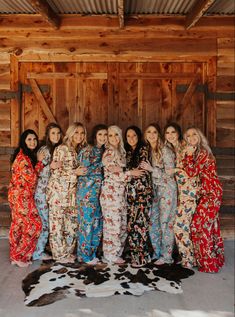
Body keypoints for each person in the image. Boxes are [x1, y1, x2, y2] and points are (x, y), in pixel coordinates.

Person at [182, 127, 225, 273]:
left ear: (200, 136)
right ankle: (215, 259)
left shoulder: (202, 153)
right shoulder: (198, 153)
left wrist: (187, 155)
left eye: (194, 134)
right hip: (207, 194)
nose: (191, 137)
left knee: (198, 226)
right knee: (210, 227)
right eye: (188, 135)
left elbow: (191, 172)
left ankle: (209, 264)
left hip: (211, 194)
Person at [100, 125, 143, 264]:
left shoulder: (122, 152)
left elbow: (121, 171)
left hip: (122, 193)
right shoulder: (108, 153)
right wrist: (130, 173)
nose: (114, 138)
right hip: (110, 193)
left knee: (122, 224)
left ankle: (118, 252)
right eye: (110, 135)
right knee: (112, 225)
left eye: (116, 135)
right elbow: (114, 174)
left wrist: (125, 170)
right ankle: (110, 255)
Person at [47, 122, 87, 263]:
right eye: (76, 132)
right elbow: (55, 172)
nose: (79, 136)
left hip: (72, 196)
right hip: (58, 195)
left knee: (71, 226)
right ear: (70, 133)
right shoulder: (61, 149)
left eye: (82, 133)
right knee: (57, 227)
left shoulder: (78, 151)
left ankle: (67, 252)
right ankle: (59, 255)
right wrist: (74, 172)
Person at [141, 123, 177, 265]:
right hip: (154, 190)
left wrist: (151, 169)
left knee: (166, 223)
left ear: (158, 134)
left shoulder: (166, 151)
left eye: (154, 132)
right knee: (153, 223)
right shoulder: (147, 150)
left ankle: (167, 256)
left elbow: (169, 175)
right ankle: (157, 252)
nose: (151, 135)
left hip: (167, 190)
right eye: (148, 132)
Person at [164, 122, 198, 268]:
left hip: (189, 192)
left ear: (178, 133)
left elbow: (192, 171)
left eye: (173, 132)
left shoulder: (186, 147)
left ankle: (188, 259)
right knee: (184, 226)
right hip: (181, 194)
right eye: (167, 133)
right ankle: (189, 256)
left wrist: (175, 170)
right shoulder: (174, 149)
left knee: (179, 226)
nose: (170, 135)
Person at [8, 129, 44, 267]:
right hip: (21, 197)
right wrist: (40, 163)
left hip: (18, 195)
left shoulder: (25, 155)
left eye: (34, 139)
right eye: (29, 139)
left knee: (18, 226)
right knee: (35, 225)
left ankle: (15, 256)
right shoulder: (23, 158)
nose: (33, 142)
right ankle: (20, 257)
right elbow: (32, 179)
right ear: (23, 141)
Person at [76, 124, 108, 265]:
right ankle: (83, 256)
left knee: (97, 224)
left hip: (99, 195)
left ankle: (92, 253)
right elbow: (83, 171)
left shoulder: (105, 151)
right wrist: (101, 164)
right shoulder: (88, 150)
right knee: (86, 225)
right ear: (95, 136)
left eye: (105, 135)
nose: (103, 137)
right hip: (86, 194)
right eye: (100, 134)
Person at [32, 123, 63, 261]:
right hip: (41, 192)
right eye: (53, 133)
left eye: (58, 133)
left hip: (53, 193)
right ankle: (37, 253)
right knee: (44, 223)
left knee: (50, 222)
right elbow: (37, 171)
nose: (56, 136)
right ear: (48, 135)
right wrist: (50, 166)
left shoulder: (59, 149)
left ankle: (43, 249)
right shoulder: (45, 150)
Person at [124, 125, 152, 267]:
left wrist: (128, 172)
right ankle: (136, 253)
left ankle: (141, 257)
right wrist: (129, 172)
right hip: (130, 195)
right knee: (131, 225)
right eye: (128, 136)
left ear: (139, 136)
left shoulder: (143, 149)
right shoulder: (128, 152)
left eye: (134, 135)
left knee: (139, 225)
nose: (131, 138)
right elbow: (128, 173)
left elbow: (141, 172)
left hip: (142, 195)